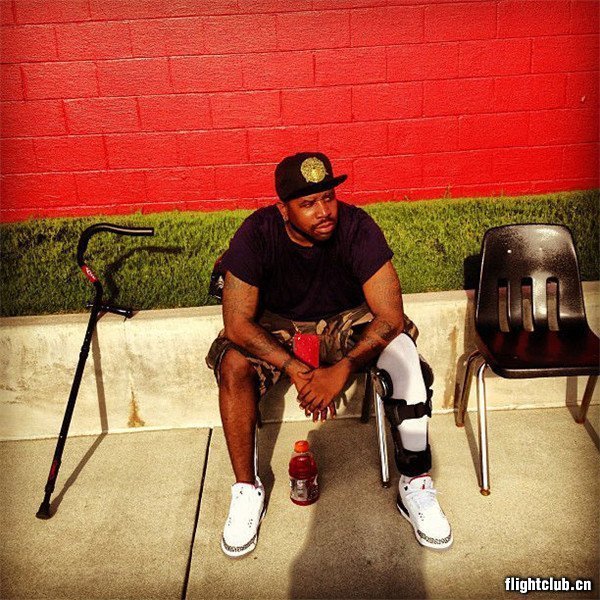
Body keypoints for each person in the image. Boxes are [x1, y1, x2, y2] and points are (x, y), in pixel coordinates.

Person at [206, 152, 452, 558]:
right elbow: (237, 324)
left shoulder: (357, 227)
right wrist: (294, 367)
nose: (324, 212)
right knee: (233, 364)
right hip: (278, 326)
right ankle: (247, 490)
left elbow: (390, 317)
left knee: (403, 350)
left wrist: (343, 368)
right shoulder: (257, 233)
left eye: (328, 198)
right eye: (308, 203)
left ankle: (415, 482)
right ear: (284, 209)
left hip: (344, 321)